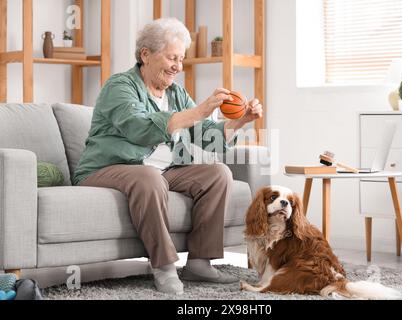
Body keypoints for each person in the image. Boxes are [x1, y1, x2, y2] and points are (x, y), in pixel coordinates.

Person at [72, 17, 263, 295]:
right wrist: (198, 111)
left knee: (217, 173)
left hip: (161, 171)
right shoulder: (120, 87)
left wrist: (241, 121)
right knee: (149, 177)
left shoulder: (175, 92)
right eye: (172, 57)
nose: (178, 66)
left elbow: (205, 134)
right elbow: (138, 129)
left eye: (181, 58)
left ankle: (199, 262)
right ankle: (163, 265)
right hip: (108, 169)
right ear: (145, 55)